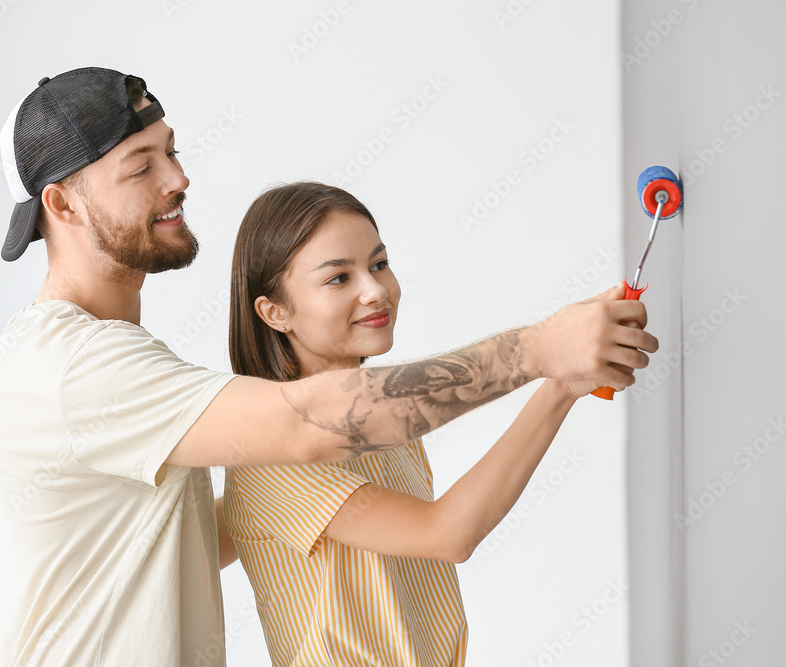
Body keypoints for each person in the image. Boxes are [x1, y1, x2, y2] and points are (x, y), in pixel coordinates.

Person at [0, 67, 657, 667]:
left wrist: (563, 370)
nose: (179, 180)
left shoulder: (124, 364)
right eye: (140, 166)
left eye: (172, 152)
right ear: (62, 204)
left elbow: (209, 524)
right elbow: (308, 427)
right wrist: (540, 351)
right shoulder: (72, 364)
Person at [224, 182, 648, 666]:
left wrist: (564, 381)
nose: (376, 291)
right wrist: (555, 376)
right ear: (275, 313)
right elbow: (446, 534)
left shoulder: (380, 422)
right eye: (339, 278)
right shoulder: (273, 456)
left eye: (379, 264)